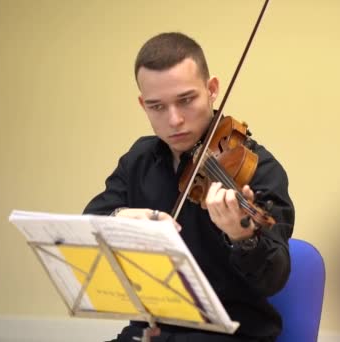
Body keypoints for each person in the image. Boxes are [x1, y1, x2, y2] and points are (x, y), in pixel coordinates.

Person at [84, 32, 294, 342]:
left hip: (231, 336)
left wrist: (243, 236)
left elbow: (274, 276)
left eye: (186, 100)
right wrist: (119, 218)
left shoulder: (258, 168)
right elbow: (92, 220)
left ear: (212, 90)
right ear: (143, 104)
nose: (174, 120)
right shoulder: (139, 159)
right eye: (157, 107)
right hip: (150, 333)